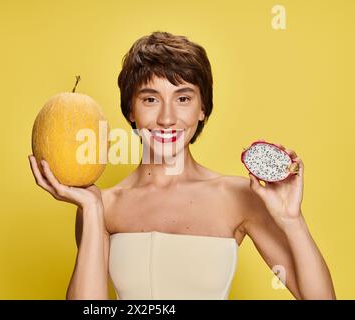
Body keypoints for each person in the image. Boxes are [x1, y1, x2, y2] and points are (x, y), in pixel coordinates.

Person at [28, 31, 336, 300]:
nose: (166, 118)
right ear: (131, 110)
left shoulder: (241, 197)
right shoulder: (101, 206)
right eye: (150, 99)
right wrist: (92, 211)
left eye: (183, 98)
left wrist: (292, 220)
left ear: (202, 109)